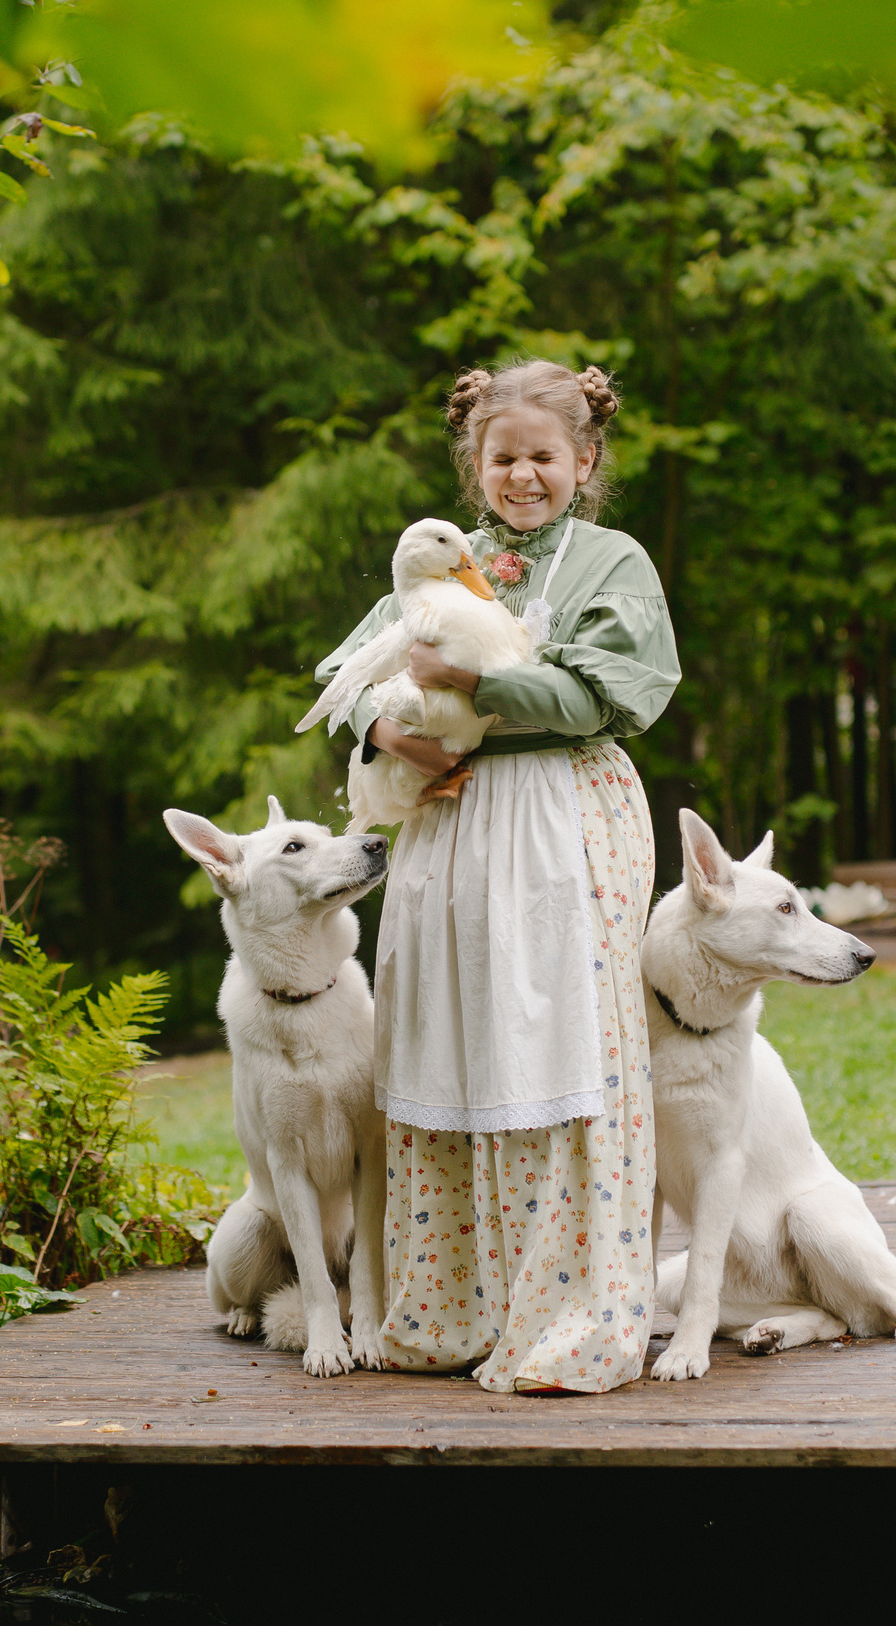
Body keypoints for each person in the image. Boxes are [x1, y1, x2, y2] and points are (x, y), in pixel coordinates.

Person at [310, 359, 681, 1393]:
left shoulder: (611, 562)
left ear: (585, 460)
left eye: (543, 457)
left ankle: (570, 1316)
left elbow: (600, 697)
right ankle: (451, 1306)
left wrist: (468, 679)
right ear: (474, 466)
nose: (523, 475)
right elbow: (347, 670)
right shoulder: (441, 561)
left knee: (560, 1039)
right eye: (502, 456)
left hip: (561, 809)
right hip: (448, 817)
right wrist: (387, 727)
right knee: (451, 1034)